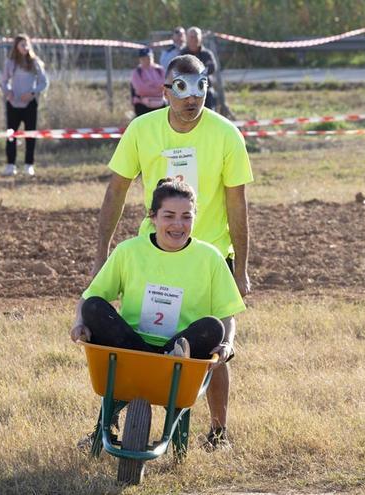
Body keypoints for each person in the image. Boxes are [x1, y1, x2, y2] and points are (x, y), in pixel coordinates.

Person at [91, 54, 253, 449]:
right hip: (154, 252)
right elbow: (116, 191)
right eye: (181, 89)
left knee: (214, 347)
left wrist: (241, 268)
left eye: (200, 88)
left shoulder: (226, 134)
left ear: (206, 89)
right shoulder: (142, 130)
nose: (191, 98)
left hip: (210, 256)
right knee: (132, 340)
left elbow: (238, 204)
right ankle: (106, 426)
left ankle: (218, 432)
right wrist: (103, 254)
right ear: (165, 93)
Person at [73, 179, 246, 444]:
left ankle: (167, 356)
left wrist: (227, 344)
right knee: (94, 306)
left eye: (186, 217)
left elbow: (227, 314)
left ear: (194, 218)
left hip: (181, 357)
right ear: (153, 217)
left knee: (213, 327)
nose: (178, 225)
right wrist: (79, 323)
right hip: (128, 351)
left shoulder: (210, 257)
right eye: (169, 216)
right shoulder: (128, 251)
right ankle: (149, 358)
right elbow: (88, 297)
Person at [1, 34, 48, 177]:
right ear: (16, 46)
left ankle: (29, 165)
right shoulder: (10, 63)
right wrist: (8, 92)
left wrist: (32, 93)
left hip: (30, 104)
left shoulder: (35, 62)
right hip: (13, 104)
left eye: (26, 44)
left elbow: (44, 82)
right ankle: (10, 164)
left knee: (30, 134)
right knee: (11, 135)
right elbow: (3, 81)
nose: (25, 47)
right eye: (22, 44)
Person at [181, 27, 219, 111]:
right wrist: (201, 70)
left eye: (196, 36)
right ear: (187, 38)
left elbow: (212, 68)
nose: (194, 39)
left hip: (205, 91)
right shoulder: (182, 54)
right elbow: (180, 69)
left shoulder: (207, 53)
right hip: (188, 93)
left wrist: (194, 70)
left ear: (201, 37)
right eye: (191, 36)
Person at [130, 47, 165, 117]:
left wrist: (149, 85)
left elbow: (165, 86)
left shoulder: (160, 70)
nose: (147, 60)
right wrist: (156, 87)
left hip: (160, 103)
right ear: (140, 59)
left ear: (153, 57)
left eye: (149, 57)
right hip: (142, 105)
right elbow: (141, 90)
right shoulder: (136, 72)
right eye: (144, 58)